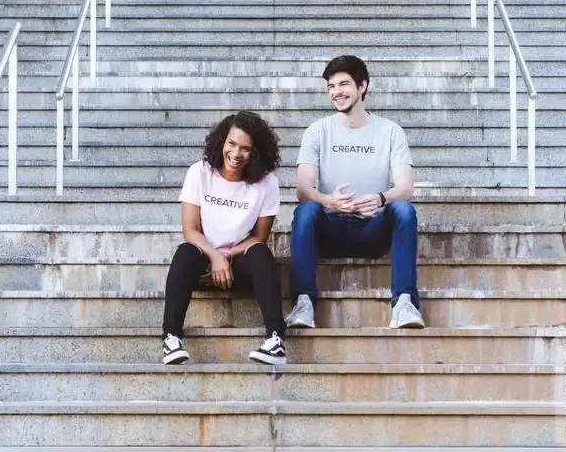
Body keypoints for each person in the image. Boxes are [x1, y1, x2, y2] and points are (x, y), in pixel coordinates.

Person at [286, 55, 424, 329]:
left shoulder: (390, 131)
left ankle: (404, 303)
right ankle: (303, 304)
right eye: (331, 86)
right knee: (306, 209)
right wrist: (330, 202)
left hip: (373, 230)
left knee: (403, 209)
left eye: (343, 84)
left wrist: (381, 198)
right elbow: (303, 189)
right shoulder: (317, 131)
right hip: (330, 230)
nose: (336, 92)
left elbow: (405, 188)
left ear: (362, 86)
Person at [161, 111, 287, 365]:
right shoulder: (200, 172)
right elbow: (191, 230)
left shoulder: (267, 183)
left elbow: (259, 237)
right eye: (232, 144)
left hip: (238, 264)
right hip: (202, 263)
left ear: (256, 153)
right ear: (222, 141)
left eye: (246, 149)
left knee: (261, 253)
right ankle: (171, 338)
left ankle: (276, 340)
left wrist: (227, 256)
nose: (236, 154)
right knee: (185, 251)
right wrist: (215, 257)